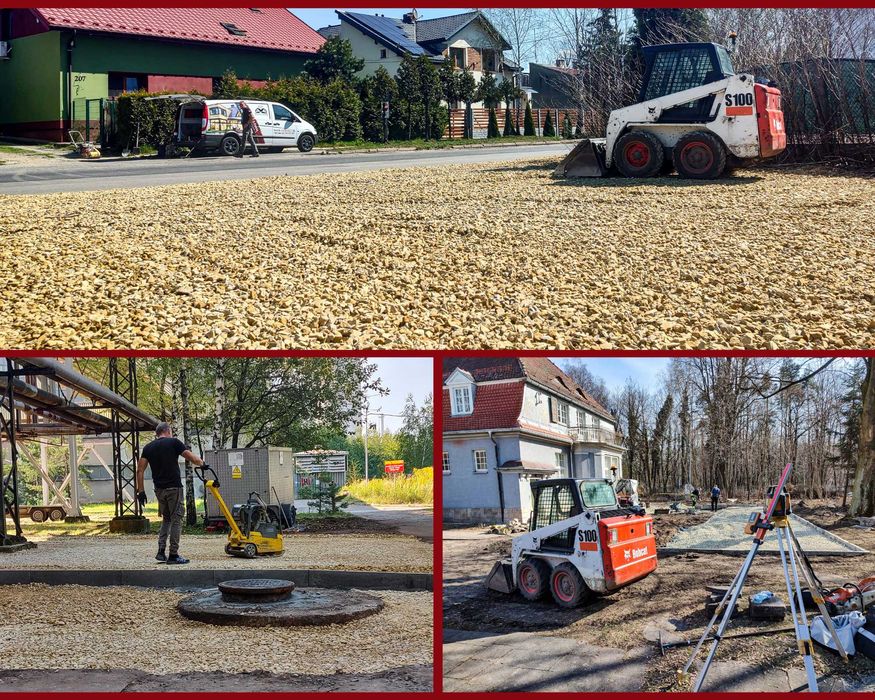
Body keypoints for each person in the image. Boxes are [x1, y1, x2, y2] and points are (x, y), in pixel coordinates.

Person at [136, 422, 205, 564]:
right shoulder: (174, 442)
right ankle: (174, 554)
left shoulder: (148, 448)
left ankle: (161, 551)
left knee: (166, 519)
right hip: (174, 488)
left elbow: (140, 470)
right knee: (176, 519)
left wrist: (141, 491)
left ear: (157, 433)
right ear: (168, 431)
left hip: (159, 490)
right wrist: (203, 464)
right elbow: (192, 458)